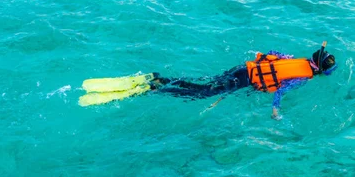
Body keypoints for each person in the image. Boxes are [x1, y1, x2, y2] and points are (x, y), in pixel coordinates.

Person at [79, 42, 337, 119]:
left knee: (206, 84)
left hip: (241, 70)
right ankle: (153, 88)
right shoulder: (302, 77)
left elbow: (271, 56)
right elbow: (279, 89)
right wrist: (275, 111)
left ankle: (160, 79)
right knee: (201, 94)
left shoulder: (294, 58)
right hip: (244, 80)